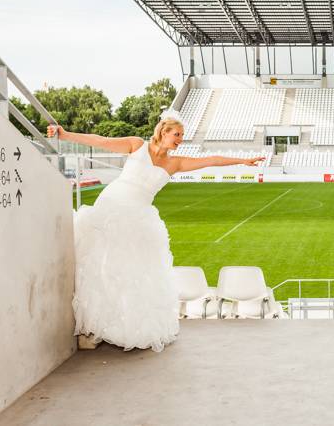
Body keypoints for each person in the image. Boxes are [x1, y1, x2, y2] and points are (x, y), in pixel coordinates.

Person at [48, 111, 265, 351]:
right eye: (177, 134)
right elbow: (100, 140)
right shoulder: (136, 145)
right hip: (110, 206)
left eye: (182, 135)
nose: (180, 139)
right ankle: (93, 328)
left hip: (139, 217)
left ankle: (119, 325)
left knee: (132, 272)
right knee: (100, 265)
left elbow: (211, 159)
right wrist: (64, 134)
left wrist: (243, 162)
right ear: (164, 131)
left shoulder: (176, 162)